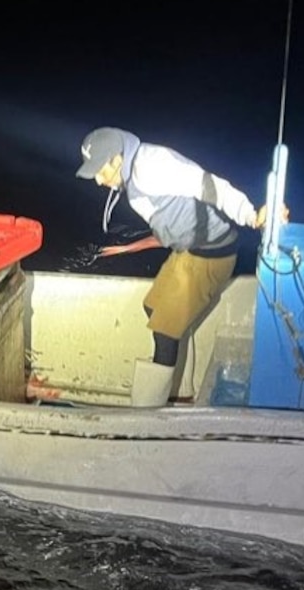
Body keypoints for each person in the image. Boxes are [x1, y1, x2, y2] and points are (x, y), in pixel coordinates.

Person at [74, 126, 288, 407]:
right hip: (188, 251)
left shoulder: (152, 165)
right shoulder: (130, 177)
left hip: (211, 254)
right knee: (152, 307)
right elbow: (170, 221)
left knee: (165, 330)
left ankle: (146, 417)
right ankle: (181, 389)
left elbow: (210, 185)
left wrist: (251, 215)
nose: (99, 181)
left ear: (117, 158)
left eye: (100, 170)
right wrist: (137, 245)